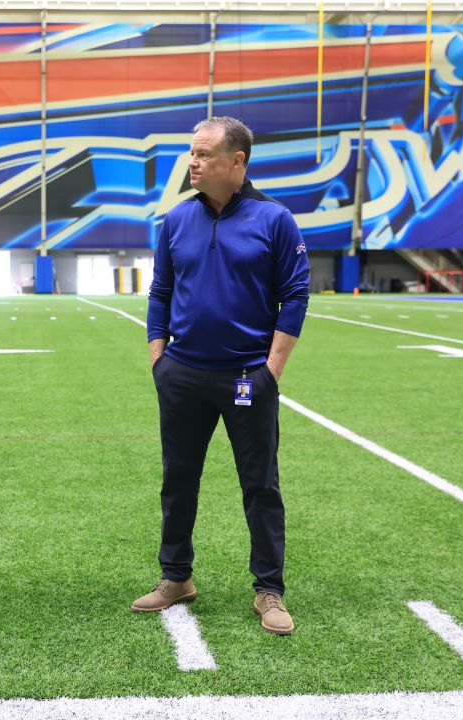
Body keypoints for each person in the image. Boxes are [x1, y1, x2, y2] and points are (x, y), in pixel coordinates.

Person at [134, 117, 310, 635]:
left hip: (246, 378)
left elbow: (295, 296)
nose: (194, 162)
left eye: (206, 154)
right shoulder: (175, 221)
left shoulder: (275, 220)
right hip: (183, 374)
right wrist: (158, 360)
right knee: (178, 480)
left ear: (237, 162)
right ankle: (176, 578)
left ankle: (269, 589)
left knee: (260, 486)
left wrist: (270, 372)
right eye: (192, 152)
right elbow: (160, 293)